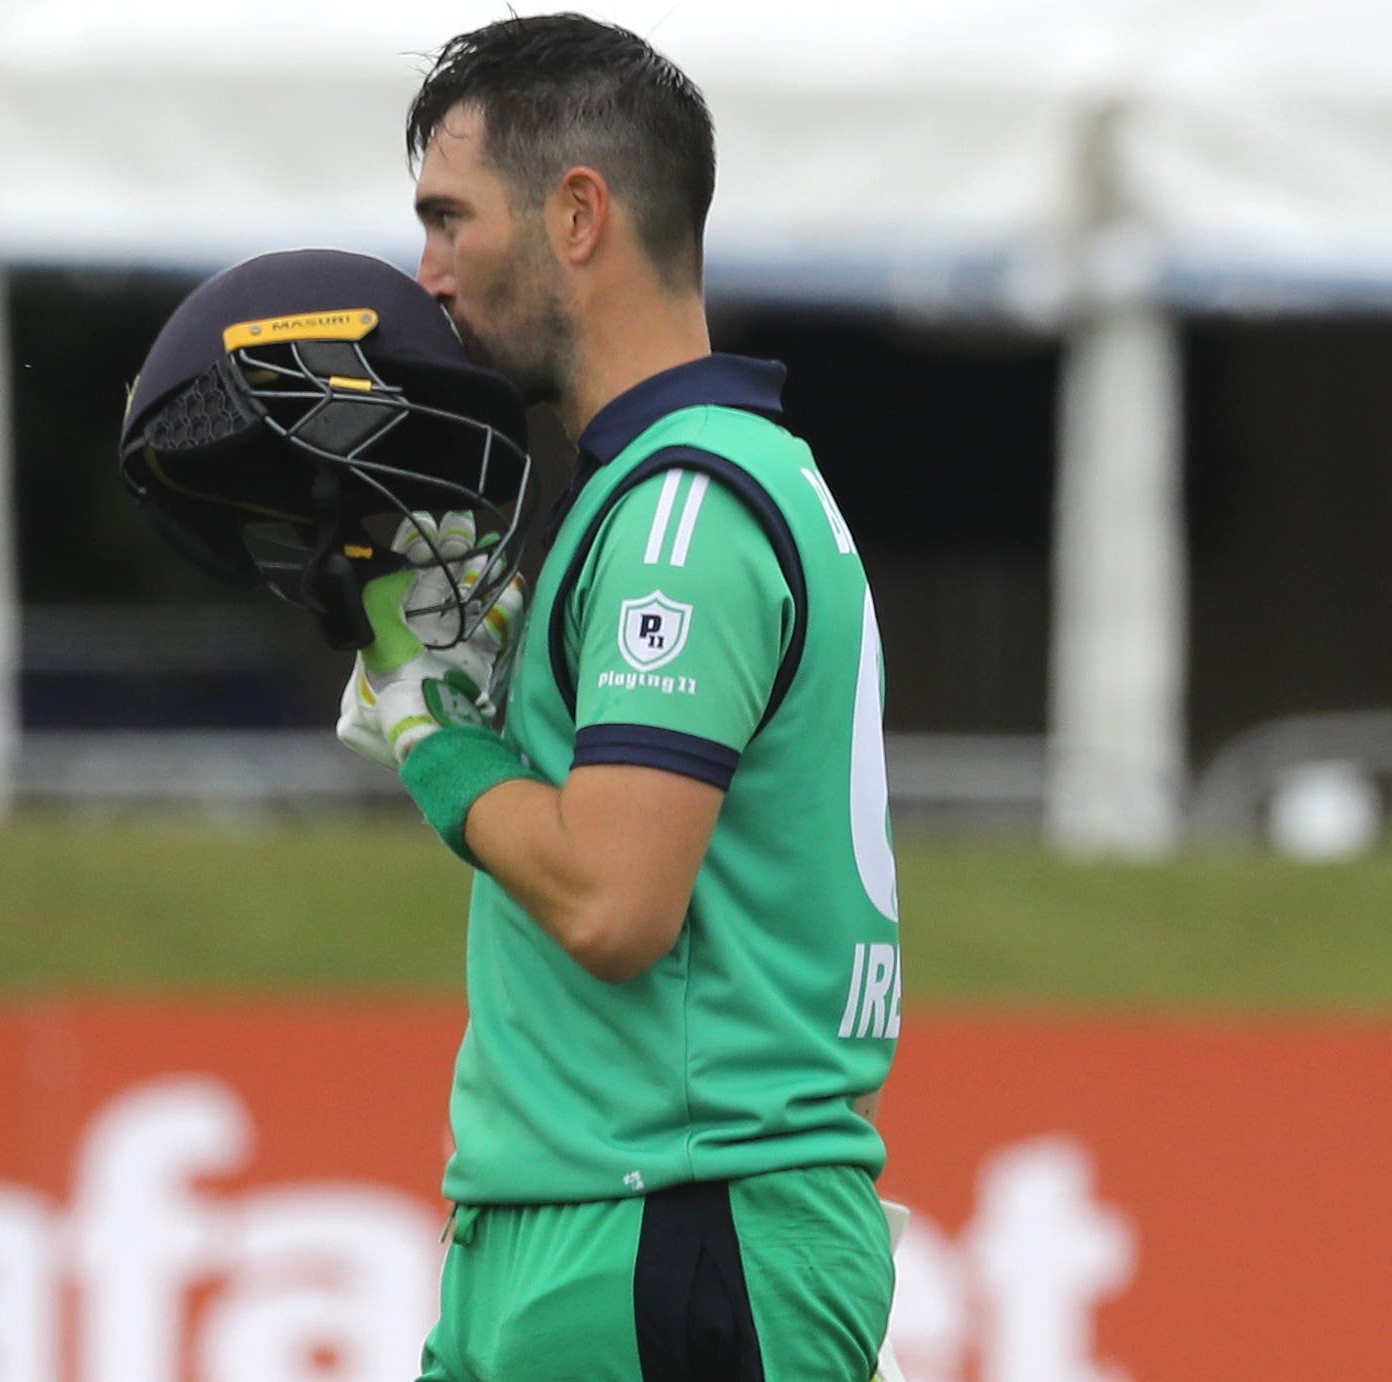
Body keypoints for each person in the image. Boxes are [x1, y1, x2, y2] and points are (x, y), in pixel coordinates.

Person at [334, 14, 904, 1380]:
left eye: (450, 218)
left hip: (669, 1218)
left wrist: (437, 740)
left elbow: (612, 901)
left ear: (576, 215)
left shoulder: (683, 508)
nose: (430, 274)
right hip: (594, 1216)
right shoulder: (667, 493)